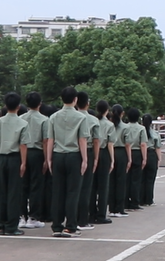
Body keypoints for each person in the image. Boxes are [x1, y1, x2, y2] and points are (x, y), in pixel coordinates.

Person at [45, 86, 90, 237]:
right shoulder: (81, 117)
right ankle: (70, 225)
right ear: (75, 99)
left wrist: (49, 158)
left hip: (58, 155)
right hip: (74, 155)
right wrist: (85, 159)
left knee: (57, 192)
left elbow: (50, 139)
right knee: (73, 192)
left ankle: (57, 225)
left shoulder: (53, 117)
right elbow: (82, 139)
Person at [0, 92, 29, 236]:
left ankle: (0, 225)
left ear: (5, 105)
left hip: (1, 157)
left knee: (1, 192)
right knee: (14, 193)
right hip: (15, 159)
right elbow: (23, 145)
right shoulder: (23, 123)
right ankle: (12, 226)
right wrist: (23, 163)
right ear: (18, 106)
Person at [20, 92, 48, 229]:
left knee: (22, 185)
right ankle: (33, 217)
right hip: (37, 153)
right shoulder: (44, 120)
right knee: (36, 186)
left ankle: (21, 216)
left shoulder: (21, 118)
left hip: (22, 152)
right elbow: (45, 141)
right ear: (40, 104)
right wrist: (47, 159)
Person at [75, 92, 100, 232]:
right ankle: (83, 220)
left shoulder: (65, 117)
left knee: (71, 188)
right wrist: (96, 158)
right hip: (88, 151)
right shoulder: (92, 120)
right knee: (85, 188)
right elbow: (96, 140)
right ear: (87, 103)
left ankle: (71, 219)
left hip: (69, 152)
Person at [92, 101, 114, 225]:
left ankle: (91, 212)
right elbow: (110, 144)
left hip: (92, 152)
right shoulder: (109, 125)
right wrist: (112, 160)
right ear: (107, 110)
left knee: (92, 185)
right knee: (103, 186)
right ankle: (101, 214)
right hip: (104, 152)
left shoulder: (93, 121)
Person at [123, 107, 148, 211]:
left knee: (126, 179)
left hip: (126, 152)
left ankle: (125, 202)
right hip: (137, 153)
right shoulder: (141, 128)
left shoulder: (125, 127)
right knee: (136, 180)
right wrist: (144, 158)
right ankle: (134, 202)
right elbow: (143, 144)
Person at [108, 104, 130, 218]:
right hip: (121, 153)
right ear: (122, 113)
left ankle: (111, 208)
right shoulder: (125, 127)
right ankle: (119, 208)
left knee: (111, 182)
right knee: (121, 181)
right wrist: (129, 159)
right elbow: (127, 144)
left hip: (110, 152)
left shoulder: (109, 125)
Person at [141, 114, 161, 203]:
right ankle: (149, 199)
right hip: (152, 155)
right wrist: (159, 159)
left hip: (141, 154)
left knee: (141, 179)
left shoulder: (140, 132)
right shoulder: (155, 133)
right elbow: (158, 147)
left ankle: (140, 198)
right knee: (150, 179)